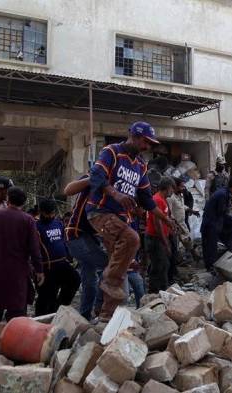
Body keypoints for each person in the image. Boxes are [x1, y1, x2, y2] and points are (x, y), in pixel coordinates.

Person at [86, 121, 175, 321]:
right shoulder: (112, 152)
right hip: (100, 212)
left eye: (150, 144)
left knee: (118, 266)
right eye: (145, 142)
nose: (147, 147)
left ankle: (106, 315)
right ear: (134, 136)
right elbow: (97, 175)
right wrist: (115, 194)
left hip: (119, 220)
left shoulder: (141, 165)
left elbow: (146, 199)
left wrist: (166, 219)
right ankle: (108, 285)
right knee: (132, 239)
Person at [0, 187, 43, 326]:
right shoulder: (28, 220)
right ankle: (13, 340)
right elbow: (34, 248)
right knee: (16, 313)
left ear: (8, 199)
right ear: (23, 203)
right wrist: (39, 270)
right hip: (17, 272)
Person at [64, 175, 107, 320]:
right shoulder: (93, 178)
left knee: (89, 281)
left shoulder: (113, 185)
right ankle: (99, 308)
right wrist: (93, 178)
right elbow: (68, 189)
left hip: (89, 238)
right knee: (109, 267)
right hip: (77, 235)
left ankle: (84, 317)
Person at [35, 199, 81, 316]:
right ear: (41, 212)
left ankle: (59, 309)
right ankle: (41, 320)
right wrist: (37, 269)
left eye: (52, 213)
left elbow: (63, 241)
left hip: (62, 263)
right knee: (46, 296)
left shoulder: (58, 223)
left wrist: (69, 256)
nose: (50, 215)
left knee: (75, 280)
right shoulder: (35, 227)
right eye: (47, 213)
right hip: (46, 267)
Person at [201, 177, 232, 271]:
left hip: (216, 220)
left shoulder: (225, 192)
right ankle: (211, 268)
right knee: (211, 246)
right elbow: (222, 211)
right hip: (211, 223)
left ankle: (231, 249)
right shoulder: (222, 194)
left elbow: (230, 197)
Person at [145, 177, 175, 293]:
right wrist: (165, 242)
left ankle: (159, 292)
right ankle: (157, 294)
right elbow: (157, 225)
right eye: (172, 188)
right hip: (155, 239)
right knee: (159, 267)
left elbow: (164, 220)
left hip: (158, 238)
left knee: (162, 265)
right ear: (167, 188)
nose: (172, 191)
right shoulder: (157, 200)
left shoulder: (162, 200)